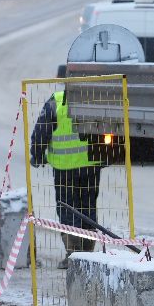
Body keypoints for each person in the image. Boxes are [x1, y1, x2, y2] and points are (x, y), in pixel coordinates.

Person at [29, 73, 103, 263]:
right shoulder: (95, 100)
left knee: (67, 208)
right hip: (90, 165)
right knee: (88, 207)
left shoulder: (57, 101)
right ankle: (88, 255)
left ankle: (73, 253)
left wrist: (37, 156)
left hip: (64, 169)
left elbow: (41, 131)